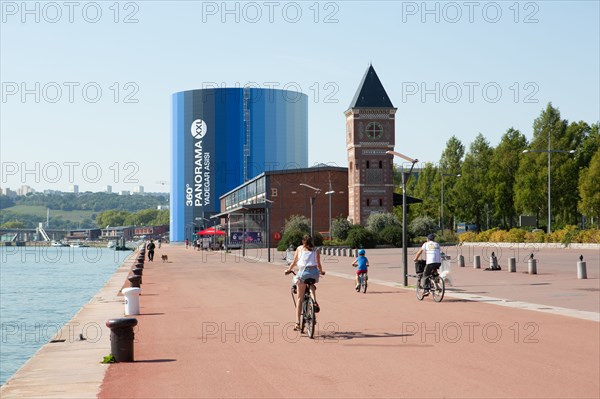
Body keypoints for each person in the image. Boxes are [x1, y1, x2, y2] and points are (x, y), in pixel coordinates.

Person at [284, 234, 325, 331]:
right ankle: (314, 301)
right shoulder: (316, 250)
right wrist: (322, 271)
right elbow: (319, 264)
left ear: (303, 242)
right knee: (311, 284)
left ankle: (297, 323)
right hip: (314, 273)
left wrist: (288, 270)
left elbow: (294, 262)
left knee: (299, 299)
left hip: (303, 273)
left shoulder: (299, 249)